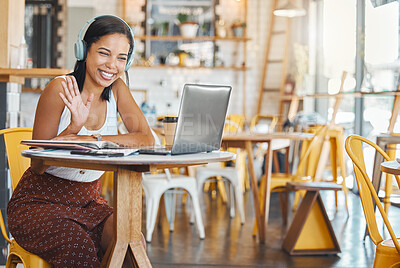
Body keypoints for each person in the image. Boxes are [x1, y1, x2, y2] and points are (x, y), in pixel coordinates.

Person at [7, 15, 154, 267]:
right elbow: (37, 165)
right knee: (79, 247)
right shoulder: (59, 89)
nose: (112, 65)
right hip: (40, 204)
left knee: (132, 241)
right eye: (104, 53)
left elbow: (145, 138)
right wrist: (73, 127)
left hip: (89, 204)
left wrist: (92, 137)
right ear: (84, 50)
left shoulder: (118, 90)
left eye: (121, 58)